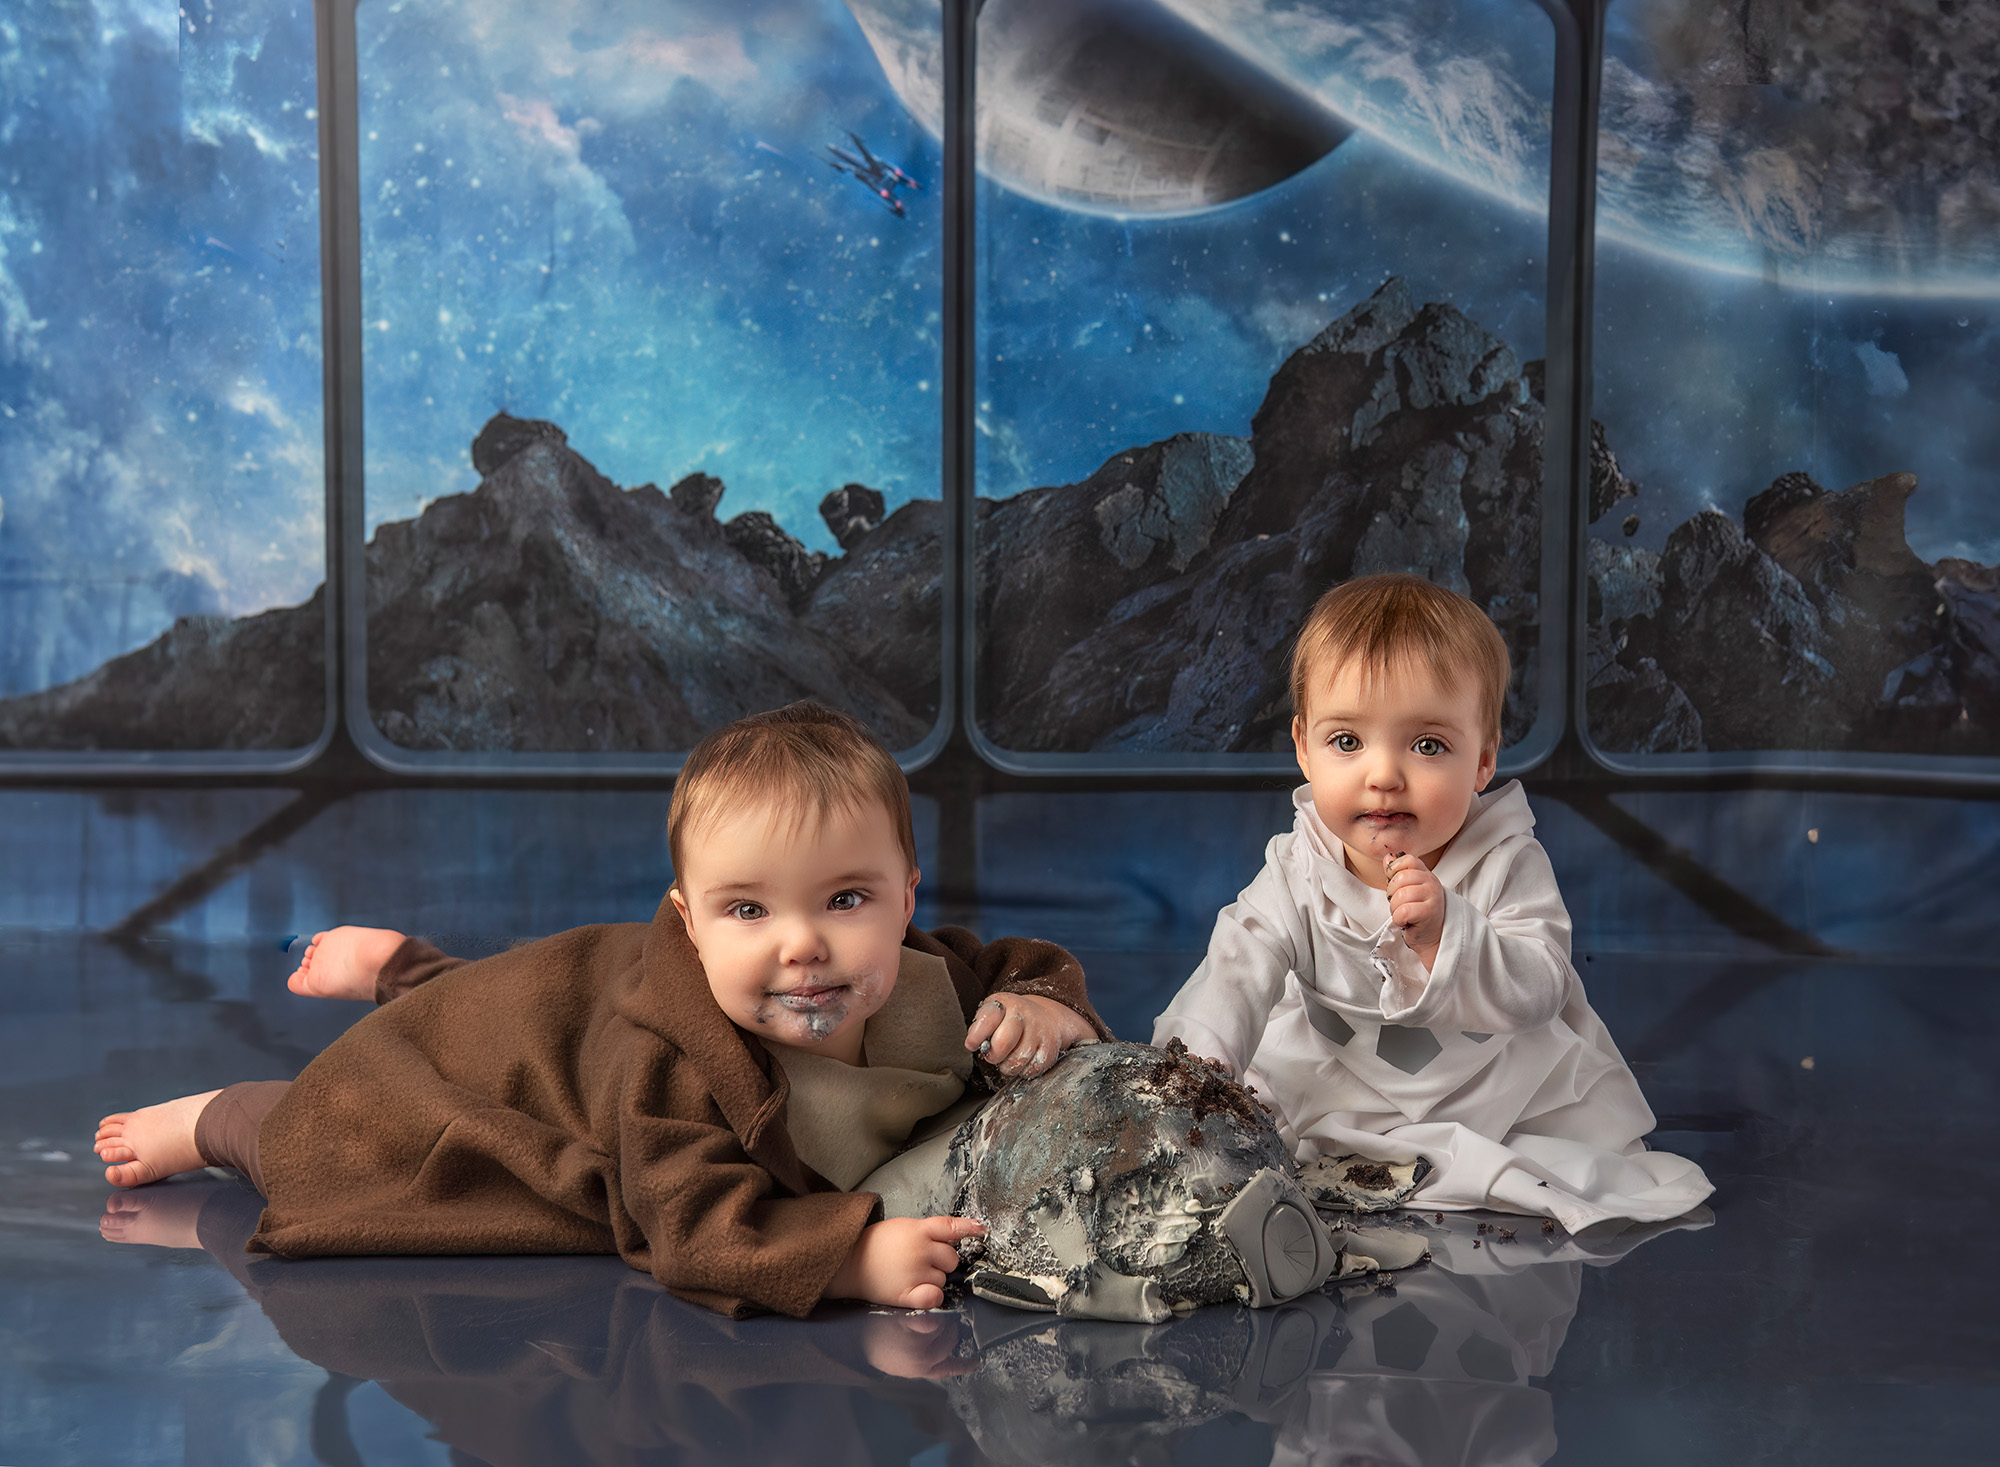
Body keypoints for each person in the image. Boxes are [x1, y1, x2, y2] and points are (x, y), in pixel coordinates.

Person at [94, 701, 1109, 1317]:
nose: (802, 944)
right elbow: (690, 1229)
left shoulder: (931, 976)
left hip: (576, 1003)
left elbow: (1025, 960)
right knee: (361, 1134)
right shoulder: (671, 1070)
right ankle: (220, 1110)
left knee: (492, 1005)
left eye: (845, 899)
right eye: (748, 909)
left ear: (906, 899)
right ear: (692, 922)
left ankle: (407, 965)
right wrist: (844, 1259)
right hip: (556, 1043)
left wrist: (1044, 1003)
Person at [1152, 574, 1712, 1231]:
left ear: (1483, 759)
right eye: (1347, 741)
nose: (1383, 774)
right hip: (1339, 1070)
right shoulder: (1298, 865)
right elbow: (1238, 960)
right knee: (1250, 1113)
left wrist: (1453, 930)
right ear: (1303, 747)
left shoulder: (1504, 858)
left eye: (1428, 745)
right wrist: (1200, 1073)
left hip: (1490, 1083)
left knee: (1543, 1149)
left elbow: (1544, 984)